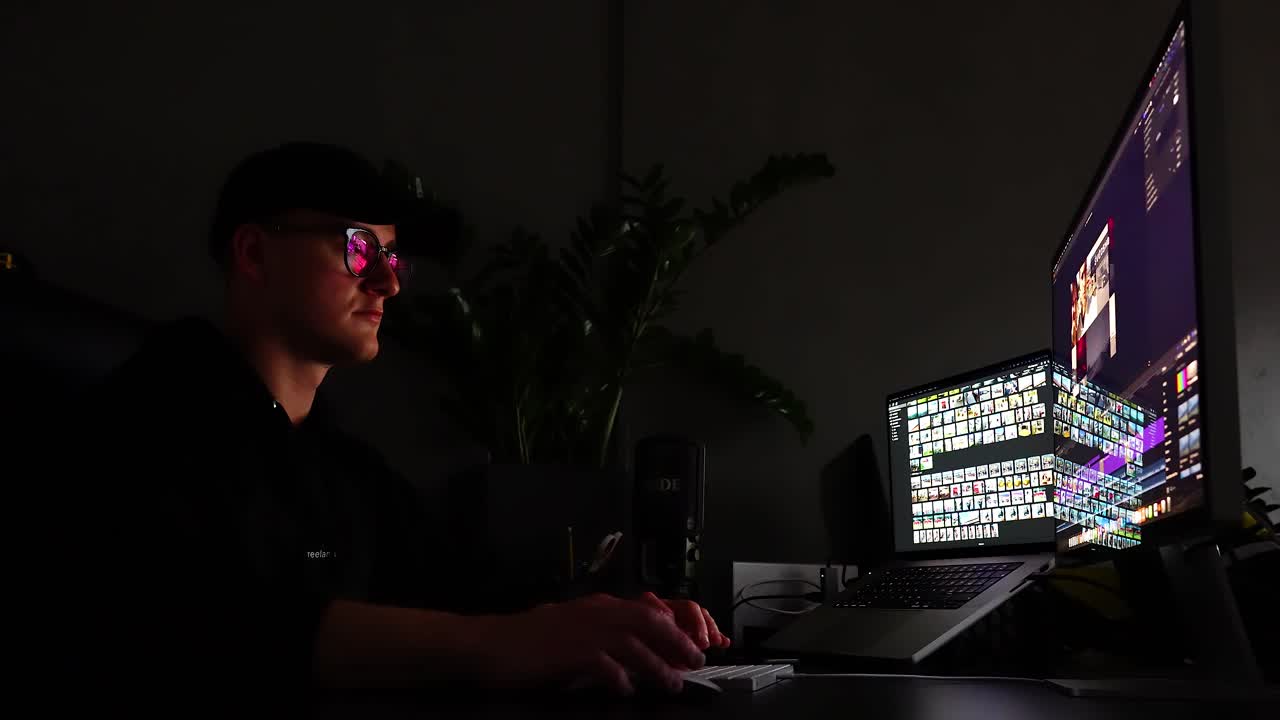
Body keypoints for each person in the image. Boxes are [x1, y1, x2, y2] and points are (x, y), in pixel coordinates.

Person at [51, 142, 728, 696]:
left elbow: (458, 581)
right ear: (254, 254)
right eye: (356, 249)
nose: (389, 283)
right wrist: (500, 645)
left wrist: (610, 618)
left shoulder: (339, 461)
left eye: (391, 256)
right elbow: (205, 627)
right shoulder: (157, 415)